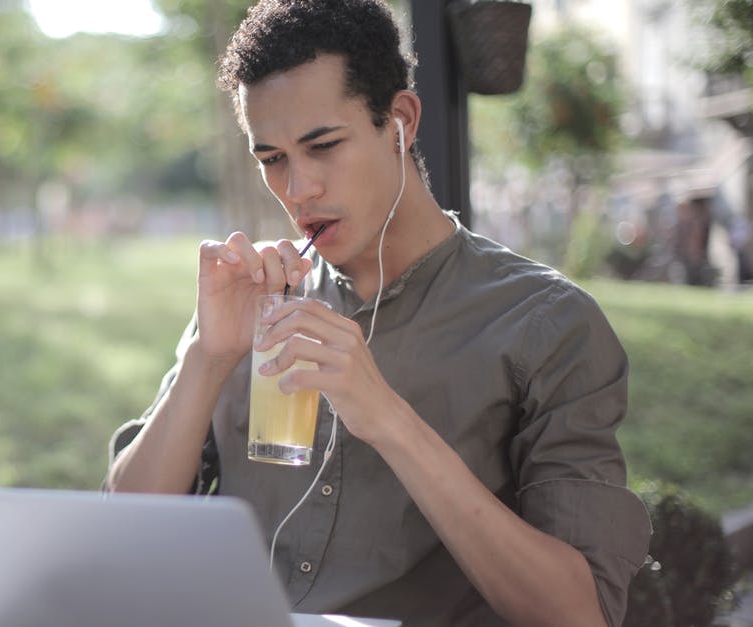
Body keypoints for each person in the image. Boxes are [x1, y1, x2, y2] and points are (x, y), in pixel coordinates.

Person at [105, 1, 651, 626]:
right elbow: (120, 536)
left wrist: (388, 417)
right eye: (272, 158)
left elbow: (581, 615)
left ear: (400, 122)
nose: (297, 188)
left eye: (323, 145)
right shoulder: (253, 303)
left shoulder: (546, 324)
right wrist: (207, 360)